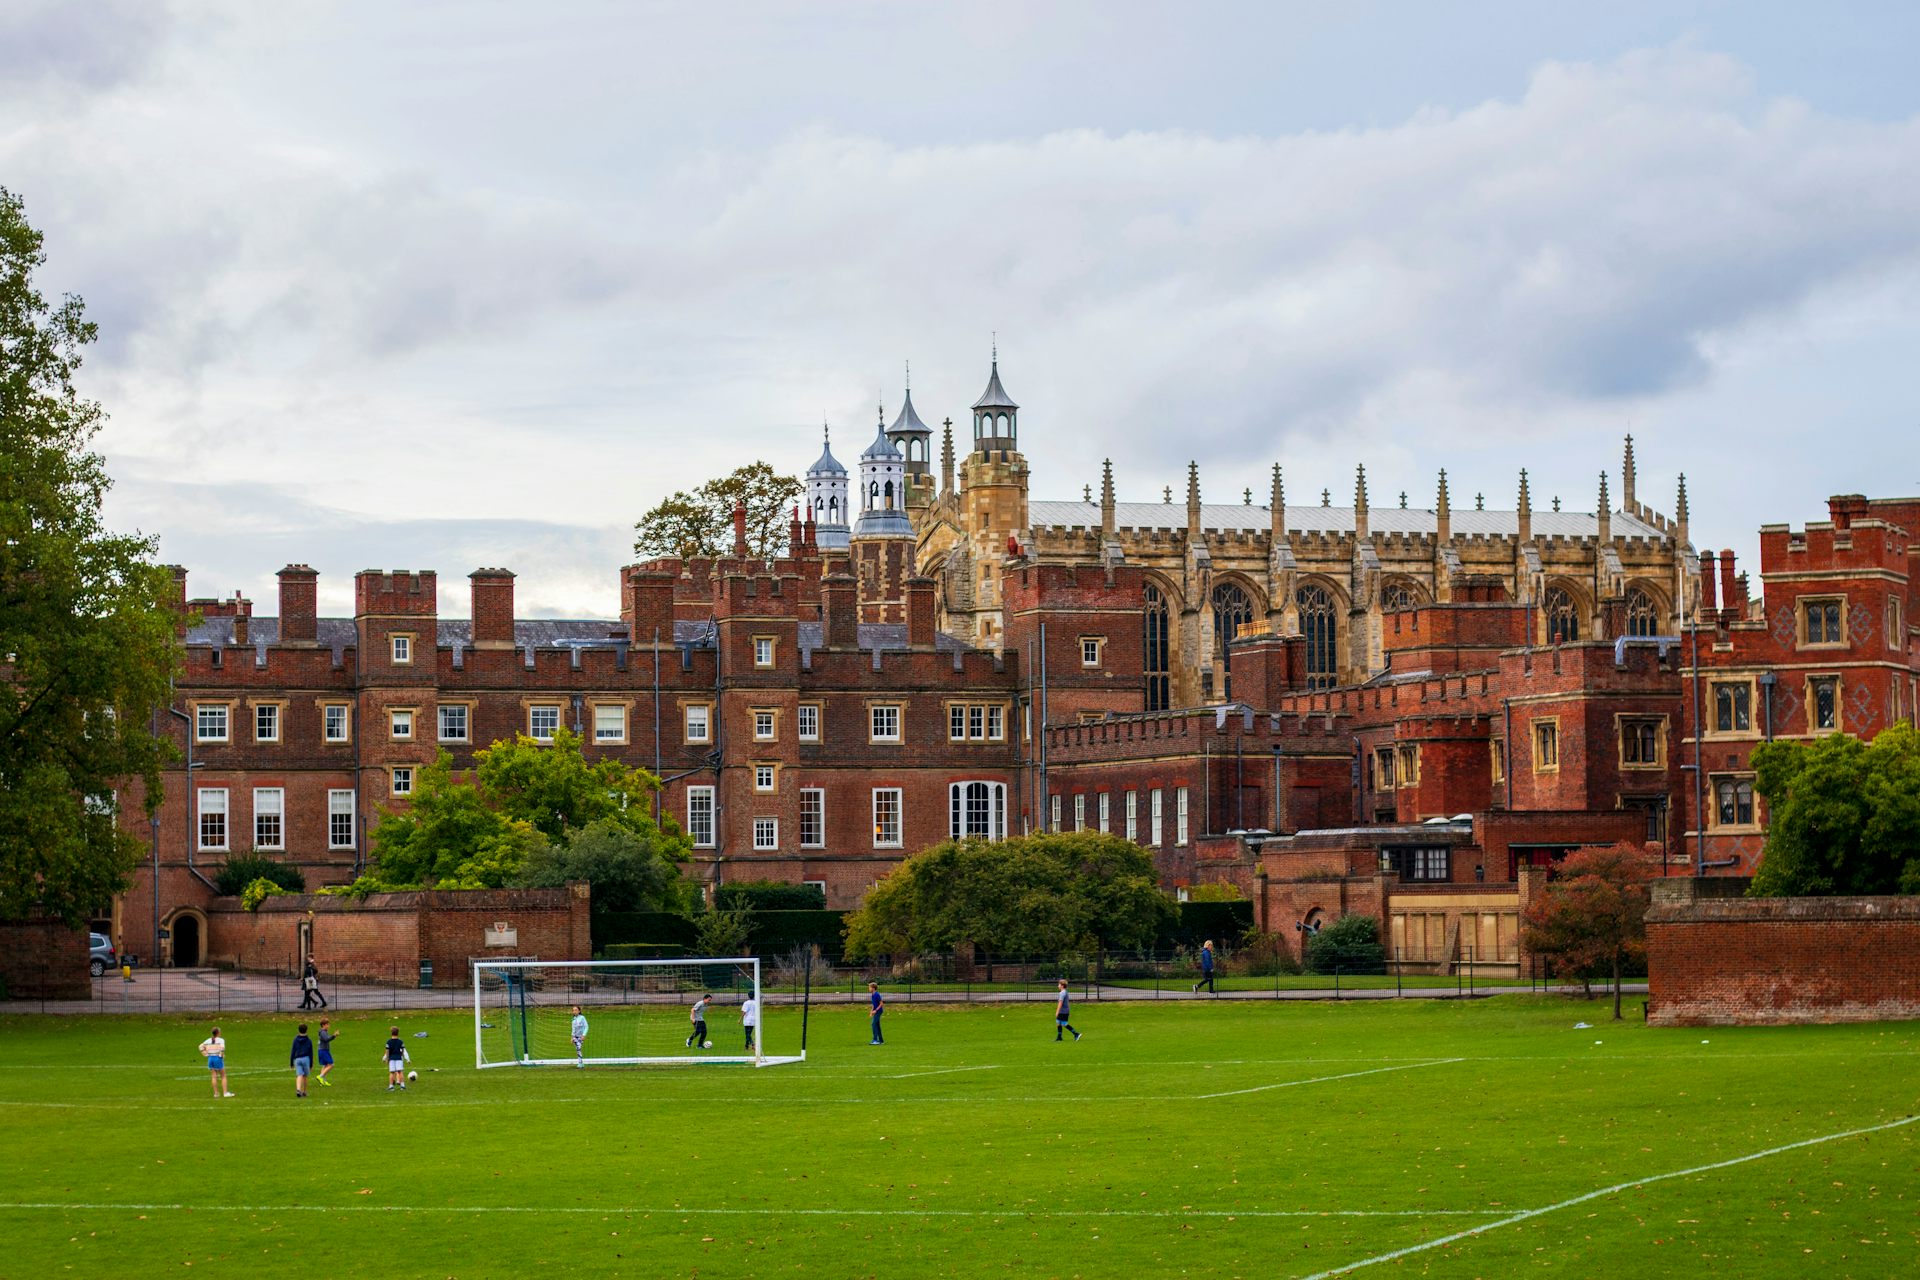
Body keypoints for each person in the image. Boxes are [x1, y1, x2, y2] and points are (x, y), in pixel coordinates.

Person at [199, 1026, 232, 1098]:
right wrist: (221, 1055)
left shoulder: (208, 1040)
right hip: (217, 1058)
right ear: (218, 1033)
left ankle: (216, 1093)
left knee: (214, 1076)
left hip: (210, 1059)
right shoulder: (221, 1040)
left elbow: (200, 1046)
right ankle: (225, 1093)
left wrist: (205, 1054)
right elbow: (222, 1048)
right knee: (223, 1075)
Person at [290, 1023, 315, 1097]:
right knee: (305, 1076)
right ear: (306, 1030)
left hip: (297, 1059)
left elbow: (293, 1051)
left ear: (299, 1030)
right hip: (306, 1058)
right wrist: (311, 1064)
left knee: (299, 1075)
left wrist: (291, 1062)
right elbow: (311, 1052)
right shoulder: (309, 1040)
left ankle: (298, 1089)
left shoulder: (295, 1040)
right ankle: (304, 1091)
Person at [384, 1025, 410, 1091]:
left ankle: (391, 1087)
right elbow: (403, 1050)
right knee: (400, 1072)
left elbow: (387, 1051)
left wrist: (387, 1059)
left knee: (392, 1073)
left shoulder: (388, 1042)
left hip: (391, 1059)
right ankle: (402, 1086)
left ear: (391, 1033)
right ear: (398, 1033)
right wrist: (402, 1055)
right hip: (399, 1058)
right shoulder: (400, 1041)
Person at [316, 1019, 338, 1086]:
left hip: (322, 1050)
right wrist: (334, 1035)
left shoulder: (323, 1032)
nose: (328, 1026)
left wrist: (334, 1036)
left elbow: (327, 1039)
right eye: (327, 1024)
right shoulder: (323, 1032)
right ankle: (320, 1076)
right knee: (331, 1064)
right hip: (323, 1050)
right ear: (323, 1025)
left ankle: (323, 1081)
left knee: (325, 1065)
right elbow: (326, 1039)